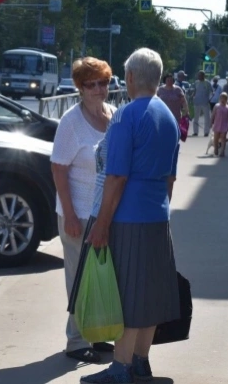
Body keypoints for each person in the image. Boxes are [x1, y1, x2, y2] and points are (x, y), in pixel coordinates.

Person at [73, 48, 181, 384]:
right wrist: (159, 211)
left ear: (131, 77)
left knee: (129, 294)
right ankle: (140, 361)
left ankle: (119, 368)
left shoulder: (126, 116)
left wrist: (102, 225)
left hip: (127, 217)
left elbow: (116, 177)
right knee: (149, 292)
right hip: (156, 216)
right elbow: (170, 178)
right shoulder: (169, 116)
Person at [51, 57, 117, 364]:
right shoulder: (71, 121)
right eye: (91, 84)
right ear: (80, 87)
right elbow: (58, 169)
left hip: (105, 214)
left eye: (103, 82)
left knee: (100, 277)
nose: (99, 89)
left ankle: (96, 332)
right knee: (79, 278)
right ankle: (76, 341)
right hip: (77, 212)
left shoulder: (112, 115)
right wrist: (71, 216)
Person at [211, 92, 228, 157]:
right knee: (216, 138)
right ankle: (216, 149)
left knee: (223, 138)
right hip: (217, 125)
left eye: (224, 98)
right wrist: (211, 122)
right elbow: (213, 115)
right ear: (219, 99)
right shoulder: (216, 106)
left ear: (227, 100)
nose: (223, 100)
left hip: (224, 125)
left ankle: (222, 151)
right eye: (221, 98)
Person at [190, 70, 213, 136]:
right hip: (197, 102)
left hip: (205, 103)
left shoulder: (207, 83)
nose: (199, 77)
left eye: (200, 75)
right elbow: (194, 91)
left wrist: (209, 99)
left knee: (207, 118)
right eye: (198, 75)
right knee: (196, 118)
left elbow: (211, 92)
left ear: (203, 76)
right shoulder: (196, 83)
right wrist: (192, 96)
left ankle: (206, 132)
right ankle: (195, 132)